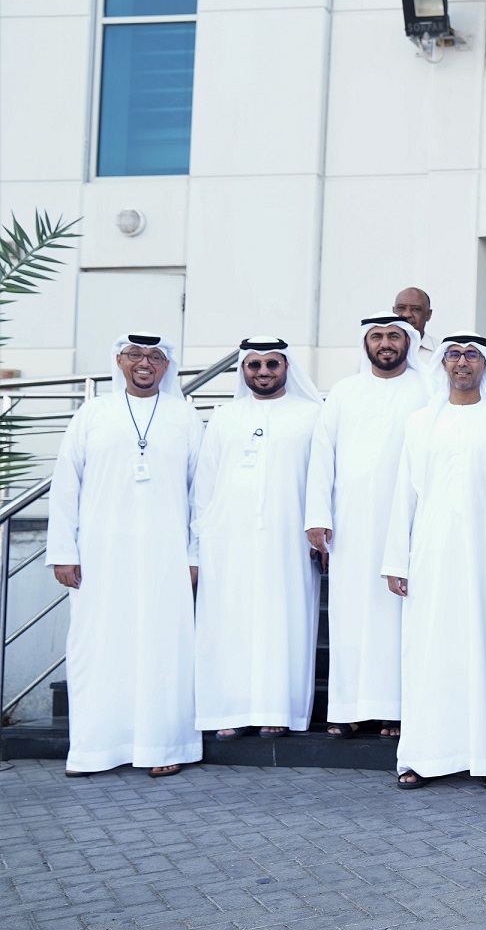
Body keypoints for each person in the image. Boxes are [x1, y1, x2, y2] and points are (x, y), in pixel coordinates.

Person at [48, 333, 205, 778]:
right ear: (119, 361)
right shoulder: (92, 413)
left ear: (166, 366)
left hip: (166, 555)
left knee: (164, 648)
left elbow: (201, 493)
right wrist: (63, 551)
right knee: (97, 646)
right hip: (100, 555)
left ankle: (164, 745)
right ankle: (95, 750)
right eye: (135, 355)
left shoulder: (185, 416)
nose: (144, 363)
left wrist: (195, 555)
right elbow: (66, 484)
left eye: (155, 357)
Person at [382, 335, 486, 791]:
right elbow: (404, 493)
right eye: (455, 355)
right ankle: (423, 756)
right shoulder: (419, 423)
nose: (463, 362)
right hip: (430, 557)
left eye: (472, 355)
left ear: (485, 366)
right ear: (442, 364)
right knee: (428, 653)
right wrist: (397, 561)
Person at [305, 315, 431, 738]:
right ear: (366, 344)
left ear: (408, 342)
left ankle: (396, 710)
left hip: (406, 520)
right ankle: (348, 709)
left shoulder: (427, 389)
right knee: (349, 615)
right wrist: (318, 517)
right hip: (351, 523)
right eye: (377, 337)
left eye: (393, 336)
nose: (385, 343)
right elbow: (322, 455)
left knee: (398, 616)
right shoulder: (344, 391)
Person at [193, 338, 325, 741]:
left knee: (284, 622)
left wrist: (319, 533)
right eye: (254, 365)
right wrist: (202, 540)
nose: (263, 371)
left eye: (271, 364)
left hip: (289, 539)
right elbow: (205, 484)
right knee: (230, 623)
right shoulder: (224, 416)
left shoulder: (312, 414)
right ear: (243, 370)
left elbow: (323, 477)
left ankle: (277, 709)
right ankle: (231, 710)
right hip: (228, 541)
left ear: (286, 368)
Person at [393, 286, 437, 353]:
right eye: (401, 308)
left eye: (415, 309)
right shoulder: (379, 351)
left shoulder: (442, 352)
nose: (407, 314)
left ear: (428, 315)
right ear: (393, 312)